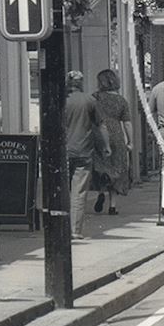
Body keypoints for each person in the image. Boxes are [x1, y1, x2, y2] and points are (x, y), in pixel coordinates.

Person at [65, 71, 109, 239]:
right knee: (79, 192)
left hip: (64, 151)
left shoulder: (62, 99)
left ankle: (60, 226)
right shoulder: (89, 100)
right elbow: (101, 125)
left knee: (62, 190)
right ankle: (75, 230)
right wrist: (106, 146)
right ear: (81, 83)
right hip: (83, 150)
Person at [92, 69, 132, 216]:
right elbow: (127, 123)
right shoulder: (121, 100)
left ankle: (101, 192)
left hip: (98, 134)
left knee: (101, 166)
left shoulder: (95, 97)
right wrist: (130, 141)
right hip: (116, 134)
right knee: (116, 168)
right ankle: (113, 206)